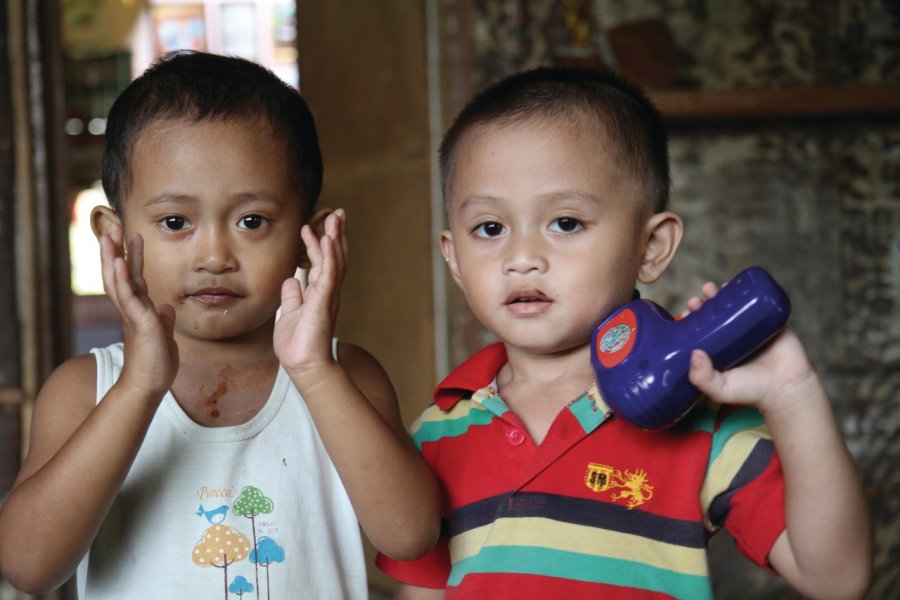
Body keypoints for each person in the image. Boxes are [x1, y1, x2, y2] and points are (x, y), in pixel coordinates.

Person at [376, 66, 872, 599]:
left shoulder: (698, 418)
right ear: (453, 257)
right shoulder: (437, 432)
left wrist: (791, 392)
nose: (521, 258)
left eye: (565, 223)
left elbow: (838, 579)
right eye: (490, 228)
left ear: (651, 246)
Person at [0, 51, 440, 599]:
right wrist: (138, 388)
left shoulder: (343, 375)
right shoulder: (86, 390)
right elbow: (28, 565)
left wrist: (313, 371)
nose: (213, 255)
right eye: (175, 222)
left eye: (251, 221)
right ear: (112, 237)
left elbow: (411, 536)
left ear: (314, 236)